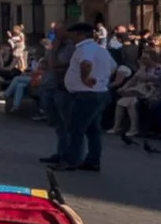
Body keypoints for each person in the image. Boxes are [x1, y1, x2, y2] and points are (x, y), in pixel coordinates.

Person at [42, 19, 113, 173]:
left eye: (73, 34)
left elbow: (86, 64)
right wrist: (101, 78)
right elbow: (113, 67)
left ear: (80, 34)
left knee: (75, 128)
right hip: (99, 92)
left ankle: (70, 160)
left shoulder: (84, 48)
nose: (71, 37)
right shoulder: (100, 49)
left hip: (86, 94)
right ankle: (93, 160)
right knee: (93, 129)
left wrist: (85, 79)